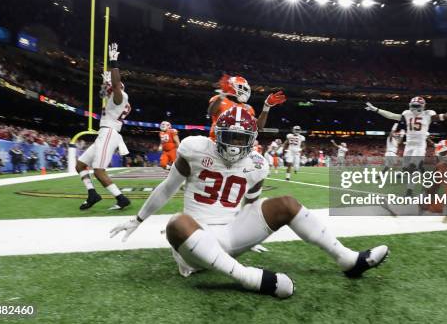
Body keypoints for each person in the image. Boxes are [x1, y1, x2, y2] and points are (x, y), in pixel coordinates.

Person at [110, 107, 389, 298]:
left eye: (239, 139)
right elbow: (167, 188)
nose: (232, 145)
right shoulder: (194, 149)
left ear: (251, 141)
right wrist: (138, 219)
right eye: (228, 137)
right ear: (216, 133)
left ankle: (347, 259)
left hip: (232, 234)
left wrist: (253, 233)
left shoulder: (257, 163)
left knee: (286, 203)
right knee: (176, 223)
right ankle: (249, 278)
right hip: (197, 241)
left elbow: (253, 205)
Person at [366, 96, 447, 196]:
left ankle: (415, 175)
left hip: (419, 146)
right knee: (408, 169)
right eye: (412, 106)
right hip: (409, 145)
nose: (414, 108)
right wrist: (376, 109)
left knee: (412, 167)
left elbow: (445, 116)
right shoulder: (406, 114)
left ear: (423, 106)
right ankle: (412, 185)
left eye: (416, 106)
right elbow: (391, 115)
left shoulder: (428, 114)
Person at [76, 43, 132, 211]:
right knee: (80, 165)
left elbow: (115, 86)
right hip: (105, 133)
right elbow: (102, 93)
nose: (109, 88)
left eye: (113, 86)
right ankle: (92, 194)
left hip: (109, 132)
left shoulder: (120, 96)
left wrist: (113, 62)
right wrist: (104, 82)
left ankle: (121, 199)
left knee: (99, 171)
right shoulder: (113, 98)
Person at [207, 74, 286, 139]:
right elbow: (211, 112)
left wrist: (267, 106)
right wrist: (222, 95)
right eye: (243, 87)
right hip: (215, 142)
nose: (246, 91)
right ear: (232, 86)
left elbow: (258, 127)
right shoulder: (220, 99)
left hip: (238, 146)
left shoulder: (248, 107)